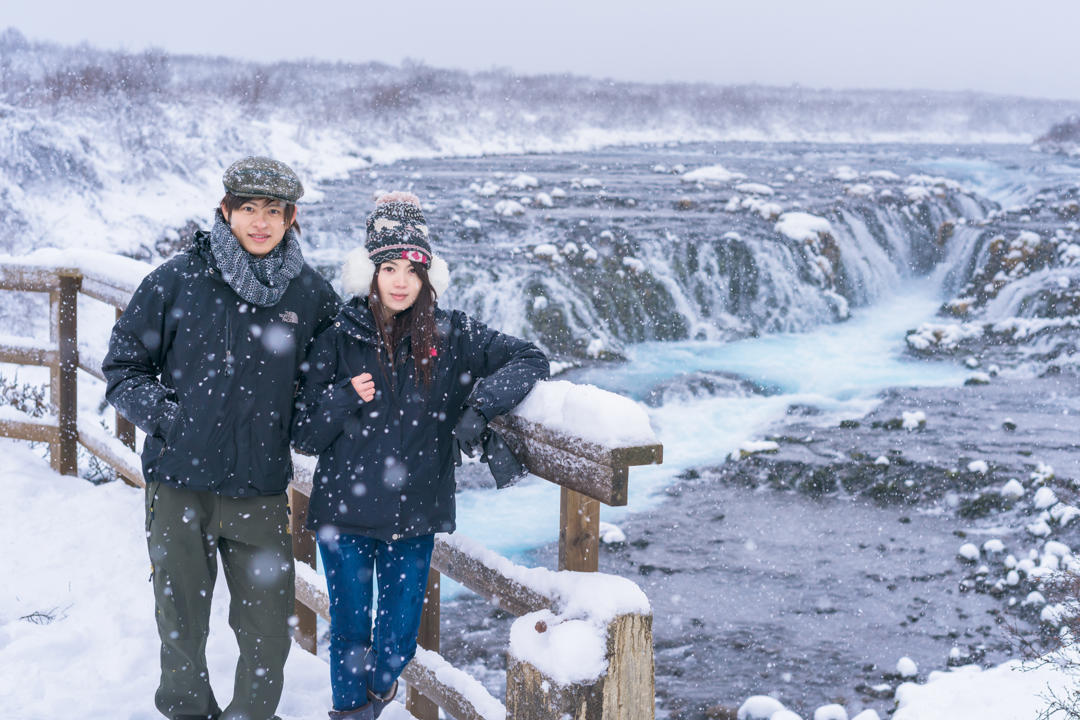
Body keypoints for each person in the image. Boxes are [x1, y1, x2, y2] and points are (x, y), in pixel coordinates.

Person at [291, 192, 548, 719]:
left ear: (429, 274)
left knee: (396, 643)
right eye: (389, 267)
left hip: (415, 512)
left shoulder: (452, 335)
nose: (401, 280)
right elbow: (303, 434)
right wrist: (344, 396)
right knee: (348, 631)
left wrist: (479, 406)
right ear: (370, 273)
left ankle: (373, 699)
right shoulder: (338, 336)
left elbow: (531, 357)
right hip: (344, 511)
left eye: (412, 268)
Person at [102, 156, 340, 720]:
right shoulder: (176, 279)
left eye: (274, 211)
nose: (261, 222)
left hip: (258, 489)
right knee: (180, 622)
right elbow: (123, 367)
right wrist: (170, 419)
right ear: (226, 210)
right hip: (180, 485)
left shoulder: (308, 295)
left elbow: (327, 378)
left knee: (267, 632)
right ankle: (188, 712)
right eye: (249, 209)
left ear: (291, 218)